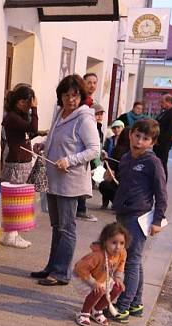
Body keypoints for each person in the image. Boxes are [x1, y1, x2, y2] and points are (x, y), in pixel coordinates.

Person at [30, 74, 100, 287]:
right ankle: (52, 267)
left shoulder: (84, 118)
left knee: (66, 228)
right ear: (60, 96)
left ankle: (61, 273)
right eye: (67, 95)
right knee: (56, 226)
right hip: (53, 179)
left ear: (81, 96)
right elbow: (57, 137)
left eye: (75, 95)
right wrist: (44, 144)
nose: (71, 99)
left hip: (70, 182)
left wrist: (69, 161)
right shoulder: (60, 112)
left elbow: (94, 150)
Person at [110, 119, 167, 323]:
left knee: (131, 261)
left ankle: (123, 306)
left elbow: (161, 192)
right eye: (136, 136)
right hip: (122, 214)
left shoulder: (153, 162)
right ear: (130, 134)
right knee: (135, 260)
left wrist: (158, 220)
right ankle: (136, 303)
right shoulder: (126, 158)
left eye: (145, 139)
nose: (139, 141)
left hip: (138, 217)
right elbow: (122, 180)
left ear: (152, 143)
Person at [0, 84, 38, 248]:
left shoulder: (17, 116)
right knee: (15, 200)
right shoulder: (12, 117)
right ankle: (11, 235)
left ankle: (12, 233)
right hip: (17, 164)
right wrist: (35, 111)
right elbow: (33, 128)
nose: (30, 106)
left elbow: (32, 132)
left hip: (21, 163)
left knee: (18, 200)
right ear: (21, 102)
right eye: (29, 103)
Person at [73, 222, 129, 326]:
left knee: (118, 288)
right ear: (105, 242)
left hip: (103, 277)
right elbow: (80, 268)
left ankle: (97, 310)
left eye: (122, 243)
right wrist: (93, 283)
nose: (118, 247)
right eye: (114, 243)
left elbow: (121, 265)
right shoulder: (97, 256)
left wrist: (118, 278)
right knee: (99, 290)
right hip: (83, 276)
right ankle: (84, 313)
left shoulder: (122, 253)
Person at [76, 73, 100, 222]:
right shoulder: (82, 102)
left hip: (91, 144)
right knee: (83, 178)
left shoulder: (91, 101)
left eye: (94, 83)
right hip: (83, 146)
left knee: (88, 176)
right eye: (89, 82)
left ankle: (81, 208)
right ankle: (80, 209)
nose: (92, 85)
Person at [98, 123, 130, 210]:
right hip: (122, 180)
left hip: (117, 179)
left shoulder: (118, 148)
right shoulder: (130, 150)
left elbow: (111, 165)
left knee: (104, 184)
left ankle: (111, 203)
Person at [154, 94, 172, 182]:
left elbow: (170, 131)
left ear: (169, 102)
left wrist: (159, 140)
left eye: (162, 102)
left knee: (162, 164)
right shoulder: (165, 111)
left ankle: (162, 182)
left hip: (163, 143)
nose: (161, 104)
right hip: (157, 142)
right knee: (157, 163)